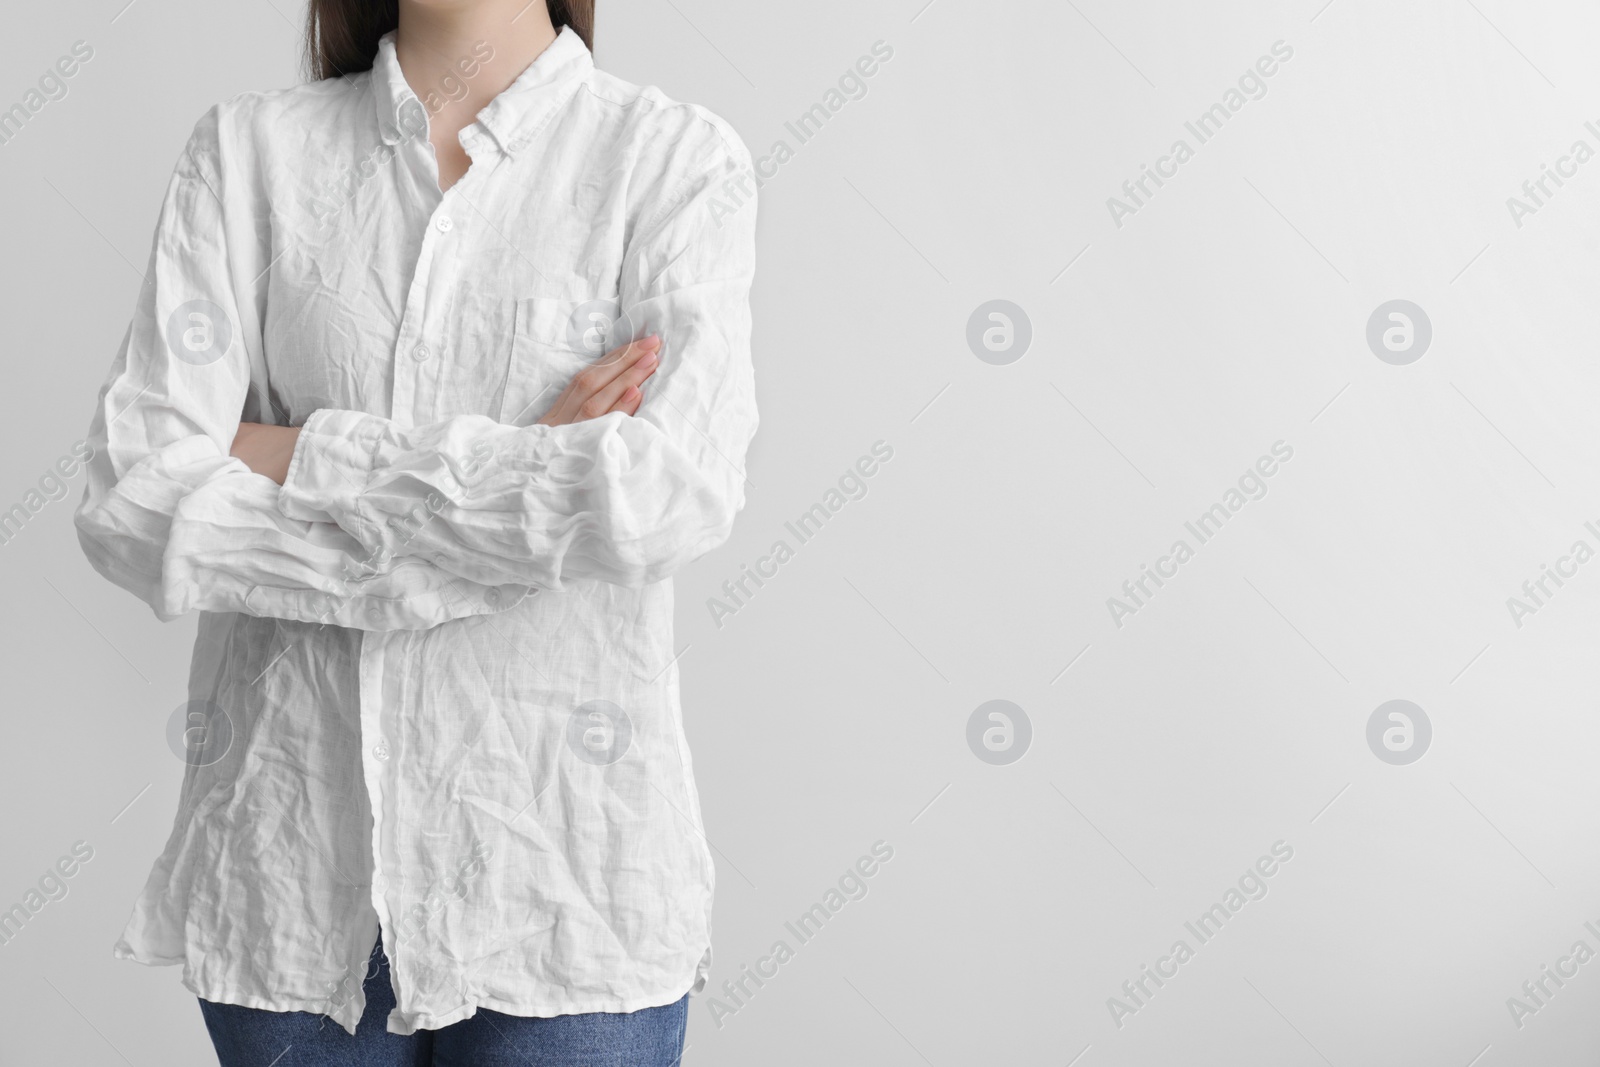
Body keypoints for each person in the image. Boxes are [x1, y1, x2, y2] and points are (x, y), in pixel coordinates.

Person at [73, 0, 757, 1061]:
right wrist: (526, 466)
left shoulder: (670, 162)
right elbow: (135, 497)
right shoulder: (249, 154)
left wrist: (295, 452)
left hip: (567, 893)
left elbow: (664, 493)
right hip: (291, 890)